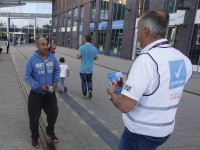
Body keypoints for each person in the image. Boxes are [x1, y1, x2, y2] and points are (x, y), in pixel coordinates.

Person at [107, 11, 193, 150]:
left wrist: (111, 93)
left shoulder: (146, 60)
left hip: (140, 133)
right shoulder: (184, 59)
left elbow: (125, 106)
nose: (137, 34)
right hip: (164, 130)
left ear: (145, 31)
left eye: (138, 29)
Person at [24, 38, 60, 148]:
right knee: (34, 117)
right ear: (37, 46)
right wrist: (39, 86)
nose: (45, 46)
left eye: (47, 44)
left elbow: (57, 70)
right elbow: (27, 77)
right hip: (36, 94)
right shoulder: (31, 59)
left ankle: (50, 131)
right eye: (42, 44)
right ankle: (35, 136)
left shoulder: (52, 58)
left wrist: (55, 81)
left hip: (50, 94)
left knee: (53, 113)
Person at [77, 35, 98, 99]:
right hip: (90, 69)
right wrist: (91, 58)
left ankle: (84, 95)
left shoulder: (82, 47)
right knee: (89, 81)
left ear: (85, 39)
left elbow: (78, 56)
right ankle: (90, 90)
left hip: (83, 69)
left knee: (83, 81)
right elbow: (96, 58)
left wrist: (81, 56)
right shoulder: (94, 48)